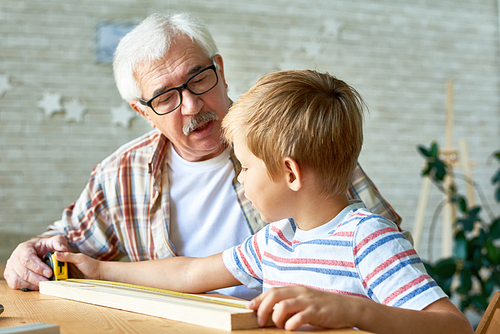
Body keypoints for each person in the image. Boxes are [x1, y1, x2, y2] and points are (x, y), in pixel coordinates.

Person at [4, 13, 402, 299]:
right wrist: (30, 253)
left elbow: (385, 251)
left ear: (221, 69)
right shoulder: (120, 174)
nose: (193, 105)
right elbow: (72, 248)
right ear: (142, 112)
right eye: (165, 97)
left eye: (199, 79)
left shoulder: (294, 140)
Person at [54, 69, 473, 333]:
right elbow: (187, 274)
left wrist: (352, 311)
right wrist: (98, 269)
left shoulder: (369, 239)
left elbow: (452, 327)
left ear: (290, 173)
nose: (241, 178)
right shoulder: (274, 242)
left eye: (246, 167)